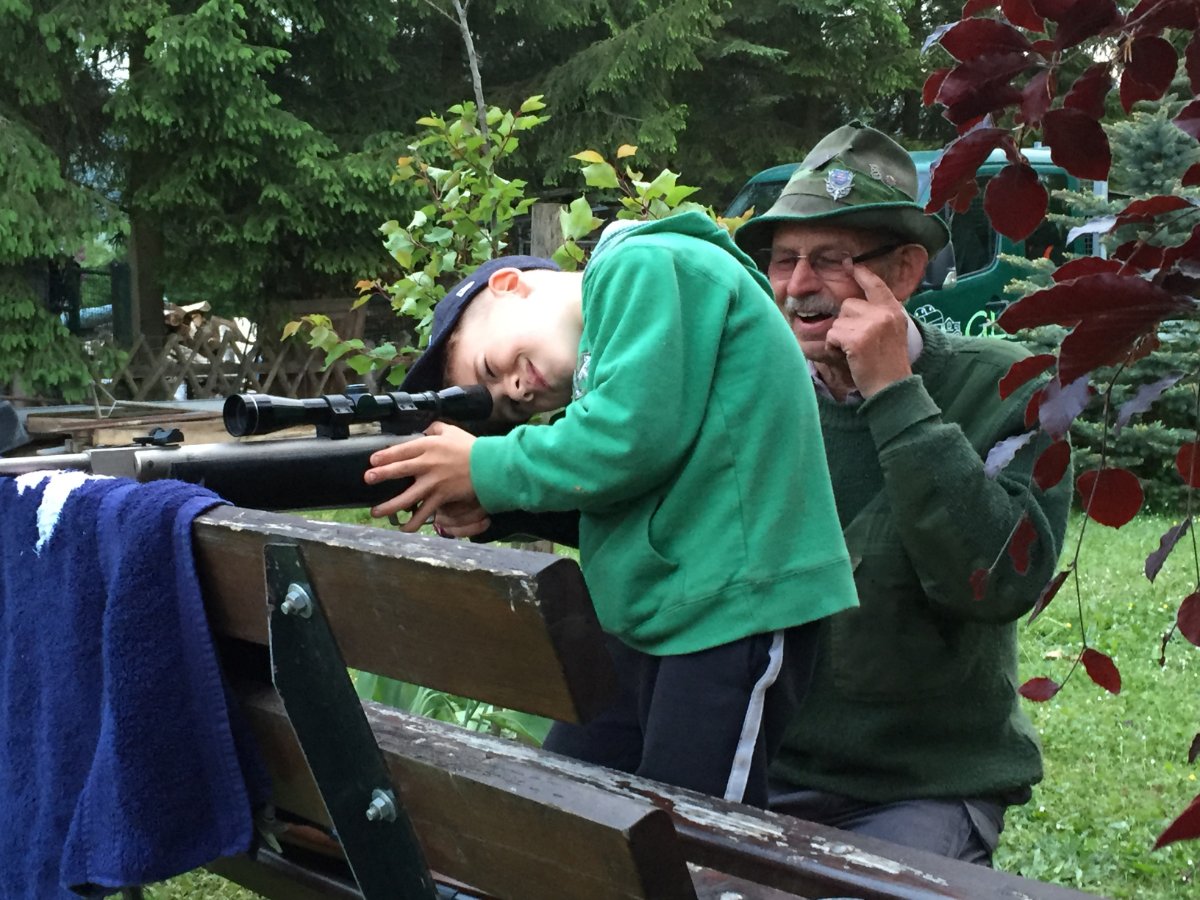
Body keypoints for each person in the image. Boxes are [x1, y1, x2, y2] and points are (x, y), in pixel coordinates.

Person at [363, 215, 859, 807]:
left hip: (733, 605)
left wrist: (487, 468)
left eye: (490, 368)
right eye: (510, 410)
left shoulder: (644, 265)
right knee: (571, 805)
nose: (515, 391)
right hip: (660, 607)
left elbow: (631, 438)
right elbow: (632, 480)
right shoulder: (608, 351)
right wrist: (499, 507)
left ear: (508, 286)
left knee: (696, 835)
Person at [730, 122, 1072, 865]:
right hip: (761, 766)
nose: (797, 286)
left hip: (921, 786)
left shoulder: (1008, 386)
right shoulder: (754, 392)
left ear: (907, 271)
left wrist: (892, 389)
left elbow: (999, 580)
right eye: (784, 260)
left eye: (830, 260)